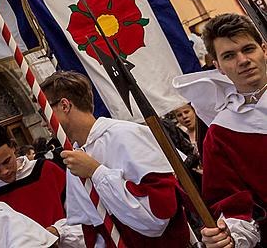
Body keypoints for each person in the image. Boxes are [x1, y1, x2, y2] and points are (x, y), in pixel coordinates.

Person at [40, 71, 193, 247]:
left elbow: (158, 218)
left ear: (65, 105)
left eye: (44, 112)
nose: (44, 123)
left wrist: (96, 172)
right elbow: (95, 231)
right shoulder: (75, 157)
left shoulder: (125, 135)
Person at [173, 13, 266, 248]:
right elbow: (233, 206)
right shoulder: (221, 134)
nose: (243, 60)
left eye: (248, 49)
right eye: (229, 56)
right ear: (218, 66)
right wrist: (229, 236)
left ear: (263, 48)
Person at [0, 123, 84, 247]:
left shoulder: (46, 170)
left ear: (13, 146)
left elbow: (83, 216)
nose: (4, 171)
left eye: (6, 161)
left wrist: (59, 232)